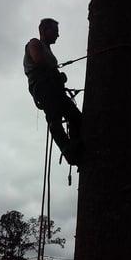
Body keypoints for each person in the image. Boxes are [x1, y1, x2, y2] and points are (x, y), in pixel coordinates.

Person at [23, 18, 82, 166]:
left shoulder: (48, 50)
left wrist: (58, 77)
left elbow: (47, 66)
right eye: (55, 31)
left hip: (54, 88)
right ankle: (69, 151)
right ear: (44, 30)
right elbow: (39, 61)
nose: (57, 35)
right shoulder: (34, 43)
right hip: (43, 87)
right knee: (54, 118)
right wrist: (56, 73)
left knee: (75, 116)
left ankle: (76, 145)